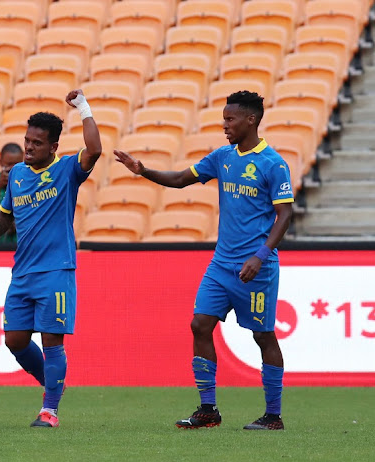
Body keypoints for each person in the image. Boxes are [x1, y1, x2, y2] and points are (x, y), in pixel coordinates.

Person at [114, 91, 294, 431]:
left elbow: (284, 215)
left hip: (256, 268)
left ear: (251, 120)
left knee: (263, 337)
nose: (224, 125)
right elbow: (182, 179)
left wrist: (260, 255)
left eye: (230, 119)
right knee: (199, 325)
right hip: (222, 265)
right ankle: (208, 409)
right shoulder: (222, 157)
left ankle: (273, 416)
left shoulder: (273, 163)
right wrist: (143, 170)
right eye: (224, 118)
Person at [0, 90, 102, 428]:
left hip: (56, 270)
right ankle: (53, 386)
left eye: (37, 143)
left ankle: (50, 410)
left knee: (51, 340)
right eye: (27, 140)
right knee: (14, 340)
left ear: (53, 147)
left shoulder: (67, 170)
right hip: (23, 273)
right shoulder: (16, 175)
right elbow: (4, 216)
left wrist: (84, 109)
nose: (29, 147)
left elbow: (95, 150)